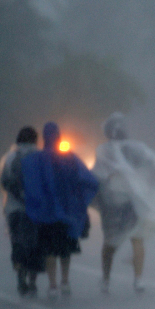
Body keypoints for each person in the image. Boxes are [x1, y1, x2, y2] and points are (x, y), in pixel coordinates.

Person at [92, 113, 155, 293]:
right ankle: (138, 280)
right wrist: (149, 185)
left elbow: (98, 175)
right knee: (137, 238)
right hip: (137, 199)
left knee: (110, 241)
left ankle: (105, 279)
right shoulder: (137, 148)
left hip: (115, 201)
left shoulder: (104, 150)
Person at [22, 122, 99, 298]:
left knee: (49, 250)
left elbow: (30, 184)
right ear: (58, 136)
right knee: (65, 250)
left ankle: (52, 285)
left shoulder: (36, 160)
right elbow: (87, 180)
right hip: (67, 212)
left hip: (46, 214)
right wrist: (78, 201)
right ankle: (65, 281)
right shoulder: (68, 158)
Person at [0, 126, 44, 296]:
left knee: (18, 244)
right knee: (35, 245)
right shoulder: (40, 156)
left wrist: (18, 195)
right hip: (36, 209)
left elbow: (3, 180)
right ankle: (32, 281)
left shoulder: (10, 157)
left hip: (14, 208)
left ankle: (20, 279)